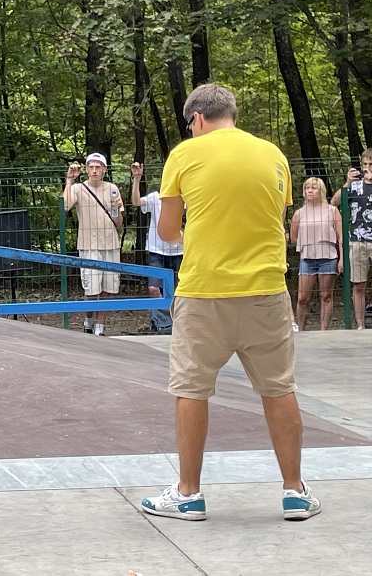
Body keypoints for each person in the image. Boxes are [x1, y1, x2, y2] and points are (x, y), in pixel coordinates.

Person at [142, 84, 321, 523]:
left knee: (191, 388)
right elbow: (272, 217)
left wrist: (193, 232)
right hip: (266, 290)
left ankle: (188, 494)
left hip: (204, 291)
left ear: (198, 119)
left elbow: (167, 231)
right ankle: (295, 492)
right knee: (279, 388)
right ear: (231, 114)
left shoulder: (185, 155)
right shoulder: (273, 155)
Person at [63, 153, 124, 336]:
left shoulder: (112, 189)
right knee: (91, 289)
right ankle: (88, 320)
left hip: (110, 243)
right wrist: (69, 180)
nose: (95, 170)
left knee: (107, 288)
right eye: (91, 167)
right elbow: (65, 205)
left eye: (98, 167)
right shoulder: (78, 188)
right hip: (88, 244)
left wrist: (117, 209)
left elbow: (118, 222)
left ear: (104, 169)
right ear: (87, 169)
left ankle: (100, 327)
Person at [131, 161, 183, 334]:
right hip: (157, 252)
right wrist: (136, 179)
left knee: (178, 291)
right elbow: (136, 202)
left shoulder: (185, 198)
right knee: (154, 289)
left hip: (179, 251)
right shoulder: (155, 198)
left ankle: (176, 324)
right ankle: (163, 324)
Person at [289, 177, 342, 332]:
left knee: (326, 296)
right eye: (307, 188)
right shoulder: (299, 214)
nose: (310, 191)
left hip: (328, 257)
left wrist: (341, 260)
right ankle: (300, 330)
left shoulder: (332, 211)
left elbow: (341, 237)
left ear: (321, 191)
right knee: (302, 298)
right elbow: (293, 237)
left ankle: (323, 331)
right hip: (307, 258)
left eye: (314, 188)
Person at [331, 150, 372, 330]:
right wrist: (347, 183)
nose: (367, 168)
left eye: (371, 165)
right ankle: (360, 325)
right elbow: (334, 203)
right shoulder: (354, 186)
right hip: (357, 240)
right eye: (365, 164)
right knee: (358, 284)